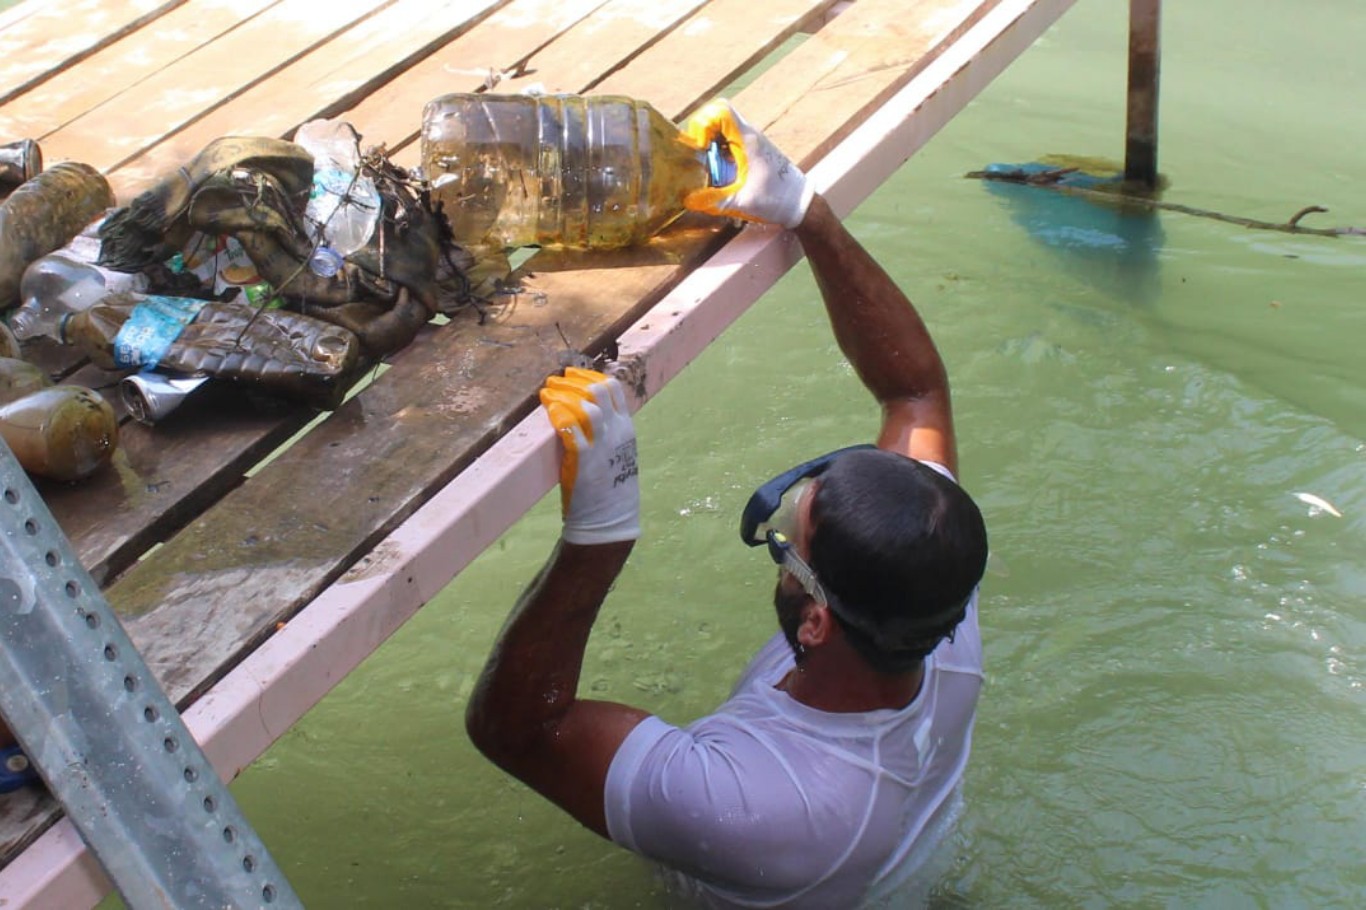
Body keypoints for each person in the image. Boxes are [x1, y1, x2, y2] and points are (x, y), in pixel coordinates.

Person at [466, 99, 989, 908]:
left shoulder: (760, 809)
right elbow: (914, 389)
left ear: (815, 622)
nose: (777, 539)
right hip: (902, 862)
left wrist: (600, 535)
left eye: (788, 543)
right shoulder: (936, 590)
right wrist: (804, 210)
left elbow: (516, 732)